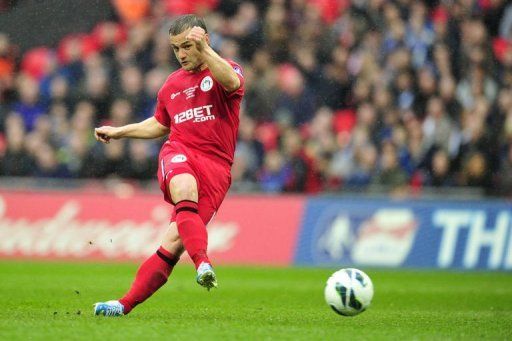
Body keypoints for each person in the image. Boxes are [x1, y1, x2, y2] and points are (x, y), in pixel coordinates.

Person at [92, 14, 244, 317]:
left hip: (216, 167)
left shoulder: (225, 71)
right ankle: (203, 263)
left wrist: (207, 52)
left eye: (188, 46)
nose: (182, 54)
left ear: (204, 41)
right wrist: (120, 131)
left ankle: (124, 305)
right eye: (176, 48)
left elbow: (232, 81)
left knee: (174, 242)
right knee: (183, 184)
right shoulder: (171, 85)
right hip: (180, 151)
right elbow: (160, 124)